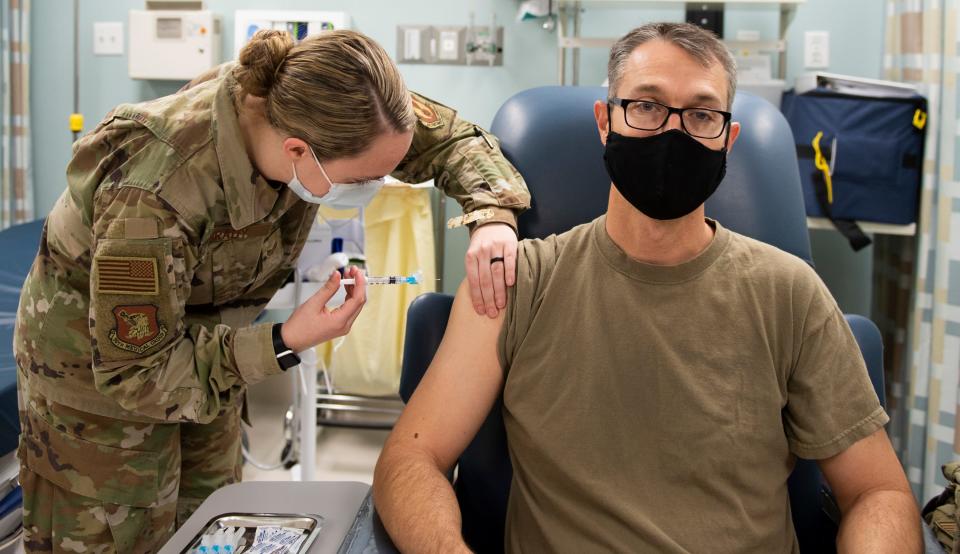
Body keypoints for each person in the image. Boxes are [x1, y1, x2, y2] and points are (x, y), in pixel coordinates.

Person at [373, 22, 922, 553]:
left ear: (727, 140)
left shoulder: (790, 293)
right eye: (647, 106)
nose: (672, 133)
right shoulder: (516, 284)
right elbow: (411, 462)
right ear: (606, 122)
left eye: (702, 113)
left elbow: (877, 492)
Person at [15, 29, 529, 552]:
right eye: (366, 178)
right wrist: (284, 339)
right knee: (124, 535)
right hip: (99, 386)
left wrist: (491, 218)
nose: (375, 187)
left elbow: (454, 139)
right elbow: (136, 373)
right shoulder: (157, 192)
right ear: (298, 151)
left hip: (203, 356)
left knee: (207, 528)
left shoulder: (338, 112)